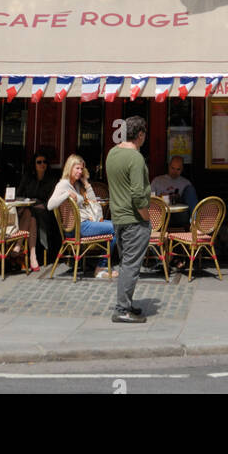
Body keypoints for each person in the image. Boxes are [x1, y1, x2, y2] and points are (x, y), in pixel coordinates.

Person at [106, 116, 152, 323]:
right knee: (131, 266)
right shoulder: (135, 158)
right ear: (140, 135)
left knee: (126, 263)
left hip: (118, 217)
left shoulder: (112, 153)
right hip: (134, 219)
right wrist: (146, 217)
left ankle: (126, 302)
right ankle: (122, 308)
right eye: (144, 135)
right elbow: (137, 194)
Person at [48, 154, 116, 278]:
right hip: (78, 228)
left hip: (84, 225)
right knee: (115, 227)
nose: (80, 171)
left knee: (116, 228)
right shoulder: (63, 185)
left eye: (81, 169)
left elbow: (93, 201)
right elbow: (50, 205)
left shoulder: (77, 185)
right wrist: (67, 194)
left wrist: (86, 183)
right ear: (70, 168)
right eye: (77, 168)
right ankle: (101, 267)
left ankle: (101, 266)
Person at [16, 151, 58, 272]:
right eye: (39, 162)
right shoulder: (28, 178)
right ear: (34, 164)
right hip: (29, 210)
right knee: (31, 215)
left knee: (32, 213)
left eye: (44, 162)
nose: (42, 164)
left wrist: (42, 205)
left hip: (45, 211)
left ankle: (19, 244)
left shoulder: (52, 180)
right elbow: (19, 195)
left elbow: (52, 200)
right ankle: (33, 256)